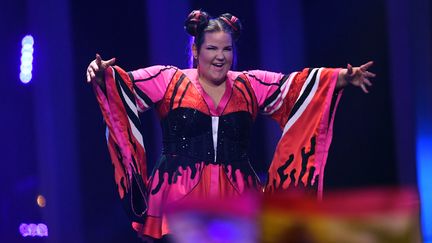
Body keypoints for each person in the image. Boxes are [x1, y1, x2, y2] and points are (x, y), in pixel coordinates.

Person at [86, 10, 375, 240]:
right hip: (178, 198)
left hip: (236, 196)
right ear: (196, 51)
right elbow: (124, 86)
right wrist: (102, 75)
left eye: (227, 49)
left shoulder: (249, 85)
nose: (220, 56)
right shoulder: (169, 80)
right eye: (212, 48)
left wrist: (340, 78)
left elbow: (295, 87)